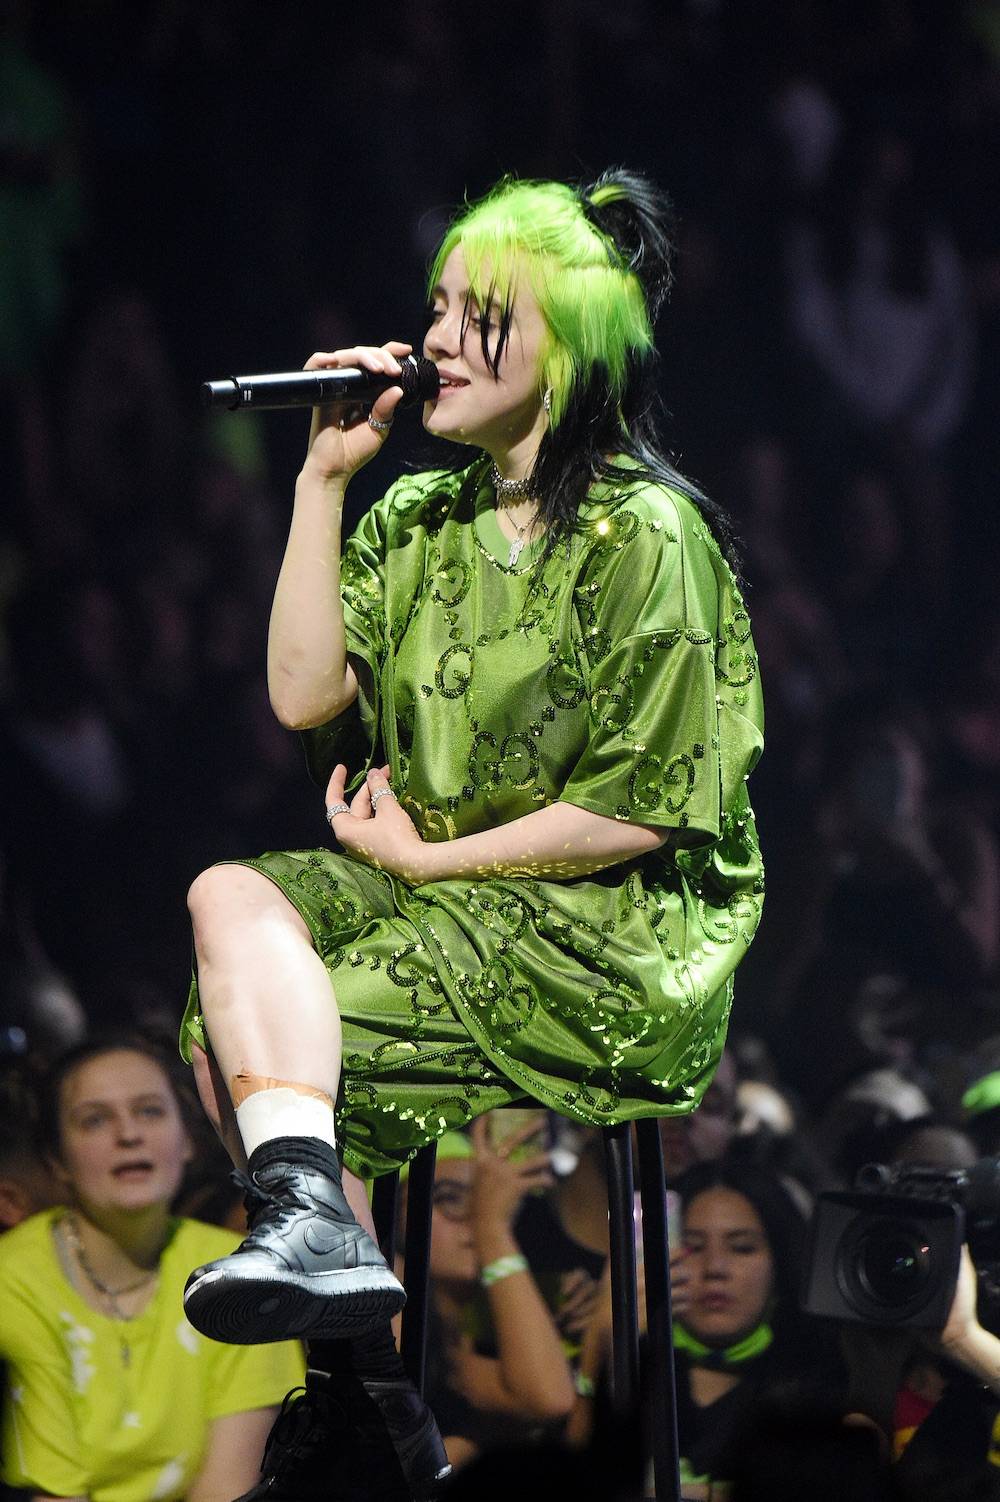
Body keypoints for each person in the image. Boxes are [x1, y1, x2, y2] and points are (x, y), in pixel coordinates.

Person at [179, 169, 765, 1498]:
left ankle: (362, 1397)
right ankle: (346, 1322)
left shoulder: (646, 531)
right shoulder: (418, 516)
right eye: (436, 305)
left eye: (477, 314)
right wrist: (326, 479)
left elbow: (648, 802)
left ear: (571, 348)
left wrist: (432, 861)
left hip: (608, 932)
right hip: (434, 890)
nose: (435, 338)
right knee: (229, 911)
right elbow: (301, 695)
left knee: (266, 1038)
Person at [0, 1035, 303, 1502]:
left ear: (188, 1141)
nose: (128, 1135)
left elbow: (224, 1490)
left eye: (149, 1111)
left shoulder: (243, 1279)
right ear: (57, 1159)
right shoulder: (13, 1279)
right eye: (95, 1119)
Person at [570, 1158, 842, 1496]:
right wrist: (601, 1342)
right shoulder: (634, 1375)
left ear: (781, 1264)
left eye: (742, 1247)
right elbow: (577, 1479)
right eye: (693, 1247)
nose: (715, 1268)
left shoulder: (821, 1390)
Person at [400, 1121, 575, 1471]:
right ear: (395, 1216)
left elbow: (546, 1397)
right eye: (449, 1197)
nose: (474, 1217)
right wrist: (492, 1230)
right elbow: (549, 1400)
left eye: (482, 1200)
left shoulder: (461, 1336)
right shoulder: (385, 1316)